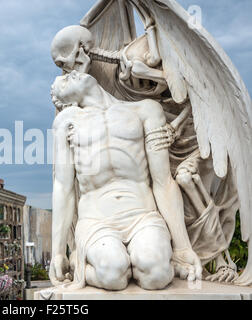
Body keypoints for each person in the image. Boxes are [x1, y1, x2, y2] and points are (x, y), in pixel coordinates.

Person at [50, 70, 202, 290]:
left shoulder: (145, 110)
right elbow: (63, 187)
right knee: (112, 274)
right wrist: (57, 252)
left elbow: (163, 181)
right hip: (97, 220)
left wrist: (182, 247)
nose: (70, 74)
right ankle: (78, 262)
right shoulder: (66, 121)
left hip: (142, 215)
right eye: (63, 82)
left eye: (68, 73)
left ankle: (162, 262)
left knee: (157, 274)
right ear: (66, 101)